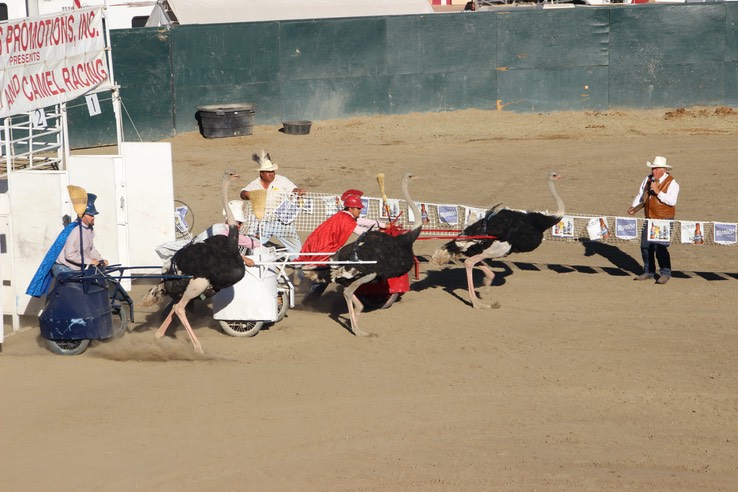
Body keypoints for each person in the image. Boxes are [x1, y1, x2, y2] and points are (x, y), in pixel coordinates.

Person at [295, 192, 380, 305]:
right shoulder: (346, 219)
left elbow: (361, 222)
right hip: (323, 249)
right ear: (351, 208)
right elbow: (361, 232)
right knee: (323, 277)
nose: (360, 210)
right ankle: (307, 301)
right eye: (358, 208)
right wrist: (379, 235)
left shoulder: (342, 216)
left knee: (320, 273)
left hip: (317, 245)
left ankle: (304, 287)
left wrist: (380, 224)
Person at [240, 150, 304, 256]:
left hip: (282, 221)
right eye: (268, 172)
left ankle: (299, 266)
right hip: (262, 222)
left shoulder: (282, 180)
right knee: (252, 244)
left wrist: (298, 191)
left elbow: (293, 189)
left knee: (296, 248)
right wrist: (247, 194)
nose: (271, 174)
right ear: (261, 173)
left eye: (273, 171)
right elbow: (242, 193)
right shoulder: (254, 184)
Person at [627, 155, 680, 284]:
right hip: (649, 218)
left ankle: (665, 273)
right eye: (652, 169)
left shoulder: (672, 183)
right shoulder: (648, 179)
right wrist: (634, 207)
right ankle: (648, 271)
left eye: (655, 169)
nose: (653, 171)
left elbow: (672, 201)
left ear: (664, 170)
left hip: (663, 219)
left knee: (660, 247)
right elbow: (641, 194)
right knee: (645, 246)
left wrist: (658, 192)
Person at [52, 193, 108, 277]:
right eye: (91, 215)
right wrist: (90, 261)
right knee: (81, 286)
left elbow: (91, 249)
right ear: (83, 215)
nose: (93, 217)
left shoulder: (89, 230)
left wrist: (100, 260)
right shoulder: (76, 230)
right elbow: (69, 254)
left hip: (74, 268)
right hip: (63, 268)